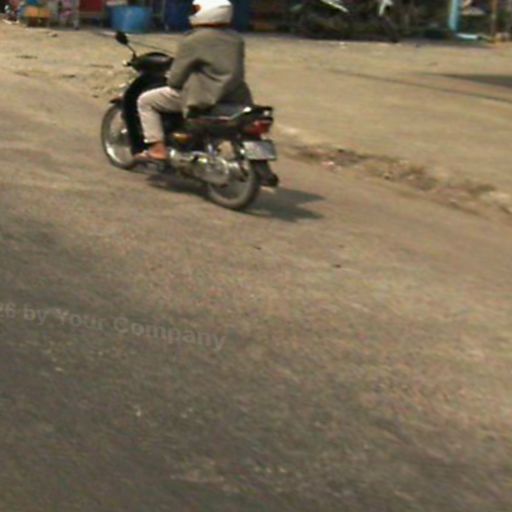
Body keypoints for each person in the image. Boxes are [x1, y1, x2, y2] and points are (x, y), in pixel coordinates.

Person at [135, 0, 253, 162]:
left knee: (146, 100)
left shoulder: (194, 39)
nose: (194, 13)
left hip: (204, 97)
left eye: (197, 9)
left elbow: (176, 78)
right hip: (235, 95)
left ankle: (157, 148)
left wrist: (173, 81)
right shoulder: (236, 38)